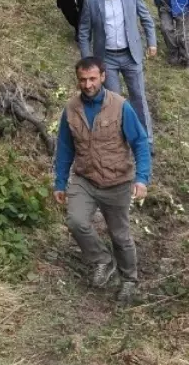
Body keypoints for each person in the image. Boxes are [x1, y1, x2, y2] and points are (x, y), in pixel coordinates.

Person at [53, 57, 151, 306]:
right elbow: (64, 148)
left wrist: (142, 179)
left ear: (103, 77)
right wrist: (60, 182)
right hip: (85, 179)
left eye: (92, 78)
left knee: (120, 235)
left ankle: (129, 280)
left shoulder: (120, 107)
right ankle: (102, 260)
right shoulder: (71, 109)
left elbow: (140, 143)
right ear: (78, 79)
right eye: (83, 79)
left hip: (117, 181)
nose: (87, 85)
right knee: (75, 221)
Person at [78, 0, 157, 146]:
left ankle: (146, 140)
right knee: (114, 101)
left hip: (131, 55)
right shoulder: (91, 0)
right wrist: (87, 61)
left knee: (138, 97)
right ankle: (121, 140)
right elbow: (83, 32)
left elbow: (146, 18)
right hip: (107, 59)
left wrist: (152, 43)